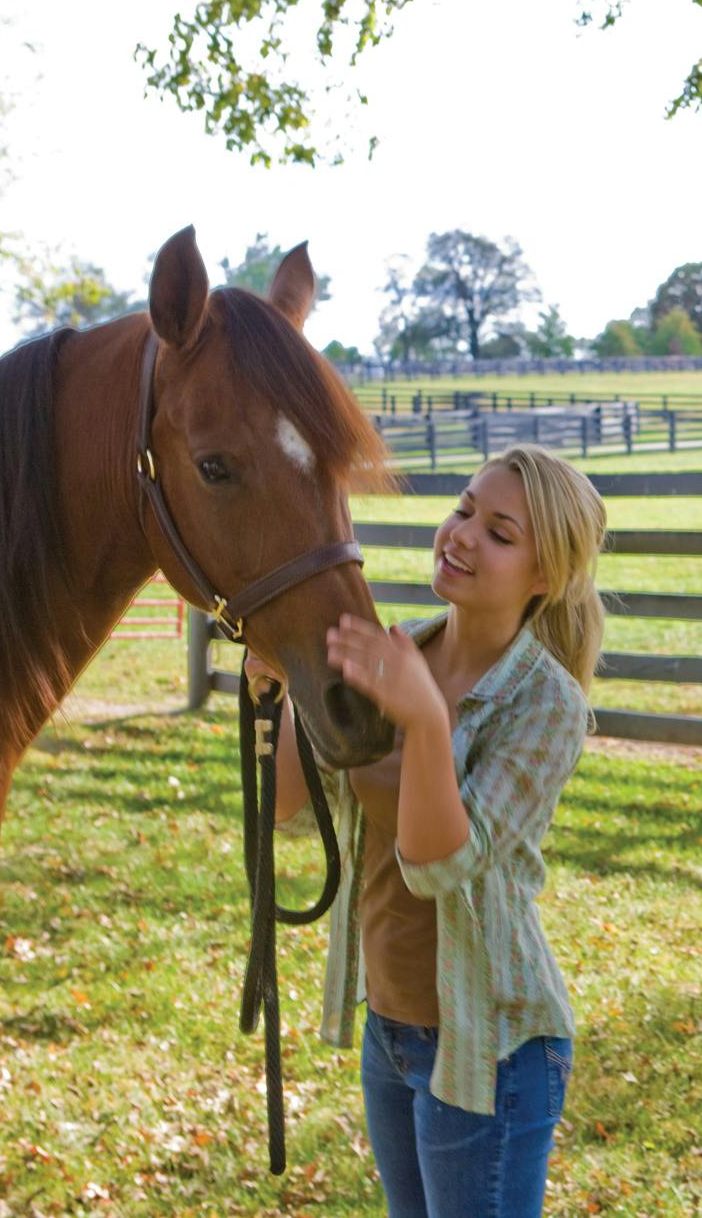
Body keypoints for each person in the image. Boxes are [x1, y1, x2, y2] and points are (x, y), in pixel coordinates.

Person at [248, 443, 605, 1218]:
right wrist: (283, 684)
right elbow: (289, 807)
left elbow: (441, 862)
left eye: (501, 533)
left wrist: (422, 716)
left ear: (544, 577)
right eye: (464, 509)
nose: (464, 534)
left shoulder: (546, 705)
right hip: (392, 1030)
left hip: (490, 1046)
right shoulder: (397, 650)